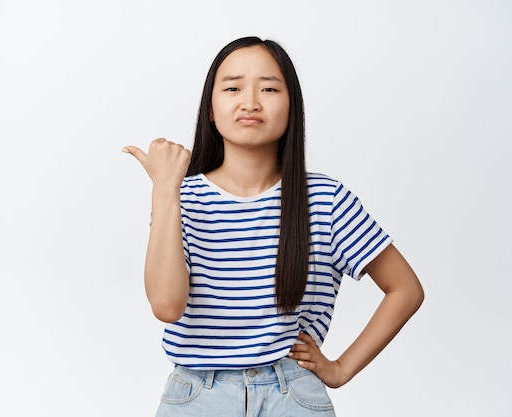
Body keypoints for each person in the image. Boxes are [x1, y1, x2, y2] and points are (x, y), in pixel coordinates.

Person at [122, 36, 424, 417]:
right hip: (197, 397)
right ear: (211, 109)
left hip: (292, 395)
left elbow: (405, 289)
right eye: (232, 88)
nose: (250, 102)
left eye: (268, 88)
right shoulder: (182, 197)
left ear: (291, 106)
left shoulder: (325, 199)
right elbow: (166, 306)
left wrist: (342, 368)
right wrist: (166, 189)